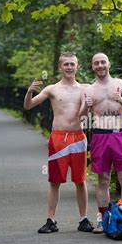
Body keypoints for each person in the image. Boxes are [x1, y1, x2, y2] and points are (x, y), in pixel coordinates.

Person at [24, 52, 95, 233]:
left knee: (80, 180)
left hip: (78, 137)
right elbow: (28, 105)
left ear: (77, 66)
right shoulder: (52, 89)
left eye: (72, 64)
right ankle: (51, 220)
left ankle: (84, 219)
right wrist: (30, 90)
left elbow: (107, 88)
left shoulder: (86, 88)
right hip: (58, 138)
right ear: (60, 67)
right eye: (66, 64)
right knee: (55, 181)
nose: (69, 67)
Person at [79, 52, 122, 233]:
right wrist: (86, 107)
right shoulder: (88, 90)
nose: (100, 65)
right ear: (92, 66)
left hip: (120, 133)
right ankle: (103, 220)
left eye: (103, 62)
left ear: (109, 64)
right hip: (100, 135)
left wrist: (120, 99)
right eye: (96, 63)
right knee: (103, 179)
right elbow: (81, 117)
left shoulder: (121, 85)